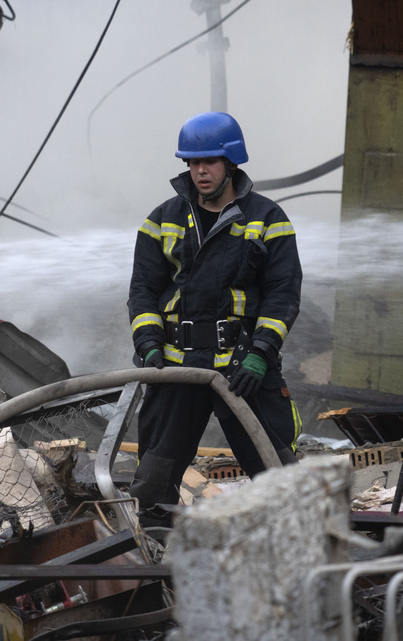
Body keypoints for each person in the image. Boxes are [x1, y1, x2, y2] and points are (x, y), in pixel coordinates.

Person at [126, 111, 303, 526]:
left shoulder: (267, 219)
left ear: (231, 162)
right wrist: (149, 345)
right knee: (152, 483)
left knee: (277, 475)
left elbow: (283, 294)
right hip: (177, 370)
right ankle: (161, 569)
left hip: (244, 372)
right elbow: (143, 291)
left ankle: (296, 561)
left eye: (209, 162)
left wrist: (261, 353)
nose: (199, 171)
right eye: (192, 162)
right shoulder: (163, 219)